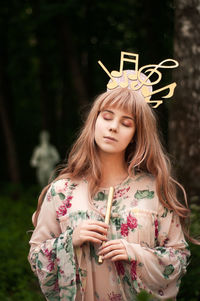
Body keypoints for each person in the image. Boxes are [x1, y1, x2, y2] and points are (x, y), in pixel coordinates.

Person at [28, 65, 192, 301]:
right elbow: (36, 255)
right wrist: (70, 241)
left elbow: (178, 258)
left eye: (126, 123)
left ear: (136, 134)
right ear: (94, 122)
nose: (113, 126)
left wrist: (135, 253)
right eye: (107, 117)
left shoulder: (154, 190)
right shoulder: (62, 191)